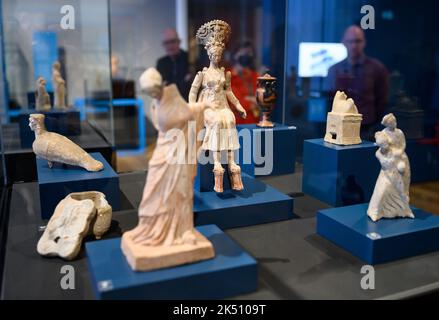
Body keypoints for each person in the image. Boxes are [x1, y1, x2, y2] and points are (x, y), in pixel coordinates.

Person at [189, 20, 247, 194]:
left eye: (219, 54)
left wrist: (238, 106)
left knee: (229, 120)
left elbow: (228, 92)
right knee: (216, 122)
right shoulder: (203, 74)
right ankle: (216, 165)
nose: (217, 57)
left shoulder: (224, 73)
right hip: (208, 107)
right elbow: (193, 92)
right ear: (209, 54)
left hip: (222, 106)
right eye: (214, 54)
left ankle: (231, 164)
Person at [327, 25, 389, 138]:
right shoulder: (334, 70)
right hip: (339, 128)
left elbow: (382, 101)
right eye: (350, 41)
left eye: (358, 41)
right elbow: (330, 100)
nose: (354, 45)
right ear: (343, 42)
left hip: (368, 129)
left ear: (364, 42)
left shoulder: (377, 68)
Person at [228, 41, 260, 124]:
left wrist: (247, 99)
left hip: (254, 123)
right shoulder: (228, 76)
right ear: (235, 55)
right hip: (235, 125)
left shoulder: (255, 76)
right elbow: (235, 103)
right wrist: (253, 100)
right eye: (243, 52)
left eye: (249, 53)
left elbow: (263, 100)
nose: (246, 56)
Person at [156, 28, 192, 98]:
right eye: (166, 43)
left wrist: (170, 86)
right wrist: (183, 82)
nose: (170, 45)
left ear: (179, 41)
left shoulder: (189, 59)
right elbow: (161, 89)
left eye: (172, 41)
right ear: (163, 45)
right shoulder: (161, 63)